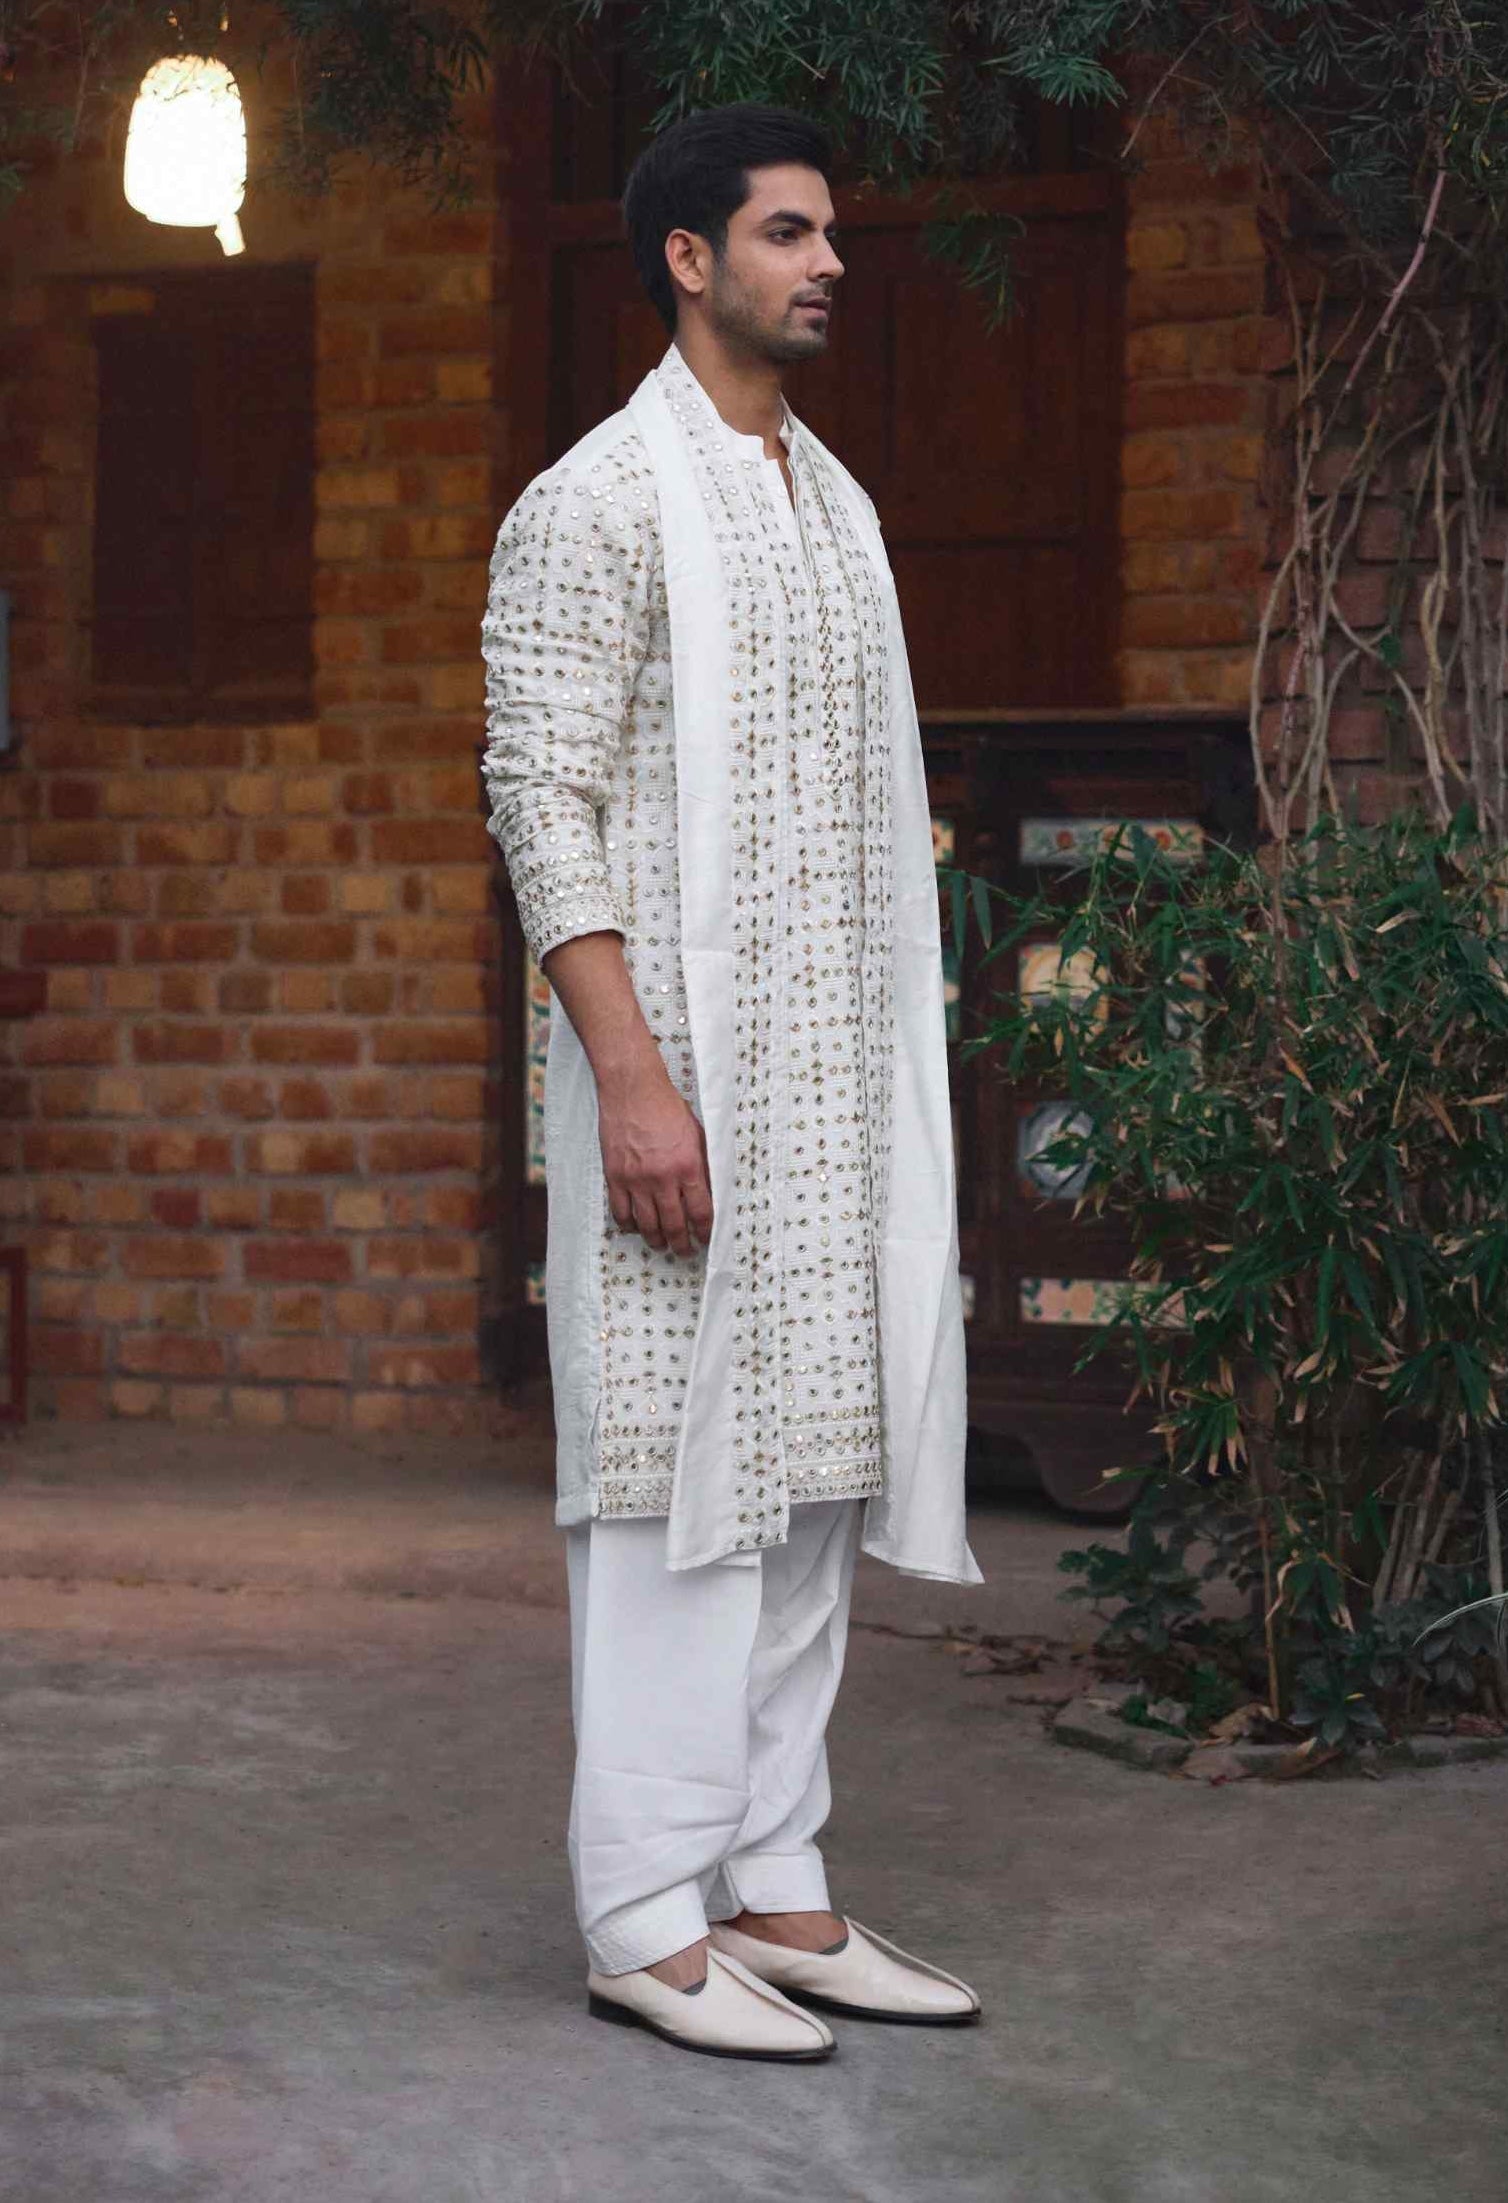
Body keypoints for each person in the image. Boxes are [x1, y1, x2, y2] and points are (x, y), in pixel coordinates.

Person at [480, 101, 982, 2063]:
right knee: (665, 1499)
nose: (828, 262)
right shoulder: (593, 501)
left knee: (810, 1479)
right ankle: (640, 1907)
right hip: (678, 1091)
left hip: (827, 1097)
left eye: (829, 233)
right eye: (788, 232)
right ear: (688, 259)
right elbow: (543, 804)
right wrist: (629, 1079)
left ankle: (774, 1881)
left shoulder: (833, 504)